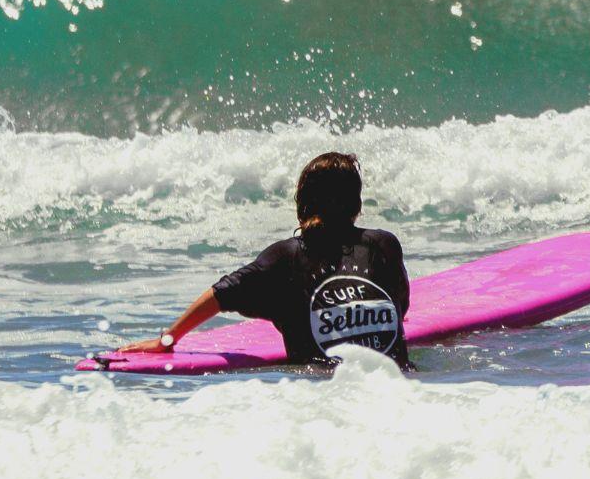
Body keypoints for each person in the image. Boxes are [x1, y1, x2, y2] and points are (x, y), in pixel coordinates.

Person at [117, 150, 411, 367]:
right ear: (356, 204)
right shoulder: (384, 246)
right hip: (398, 390)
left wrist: (166, 340)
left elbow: (221, 293)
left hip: (323, 397)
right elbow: (402, 307)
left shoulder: (286, 258)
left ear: (302, 203)